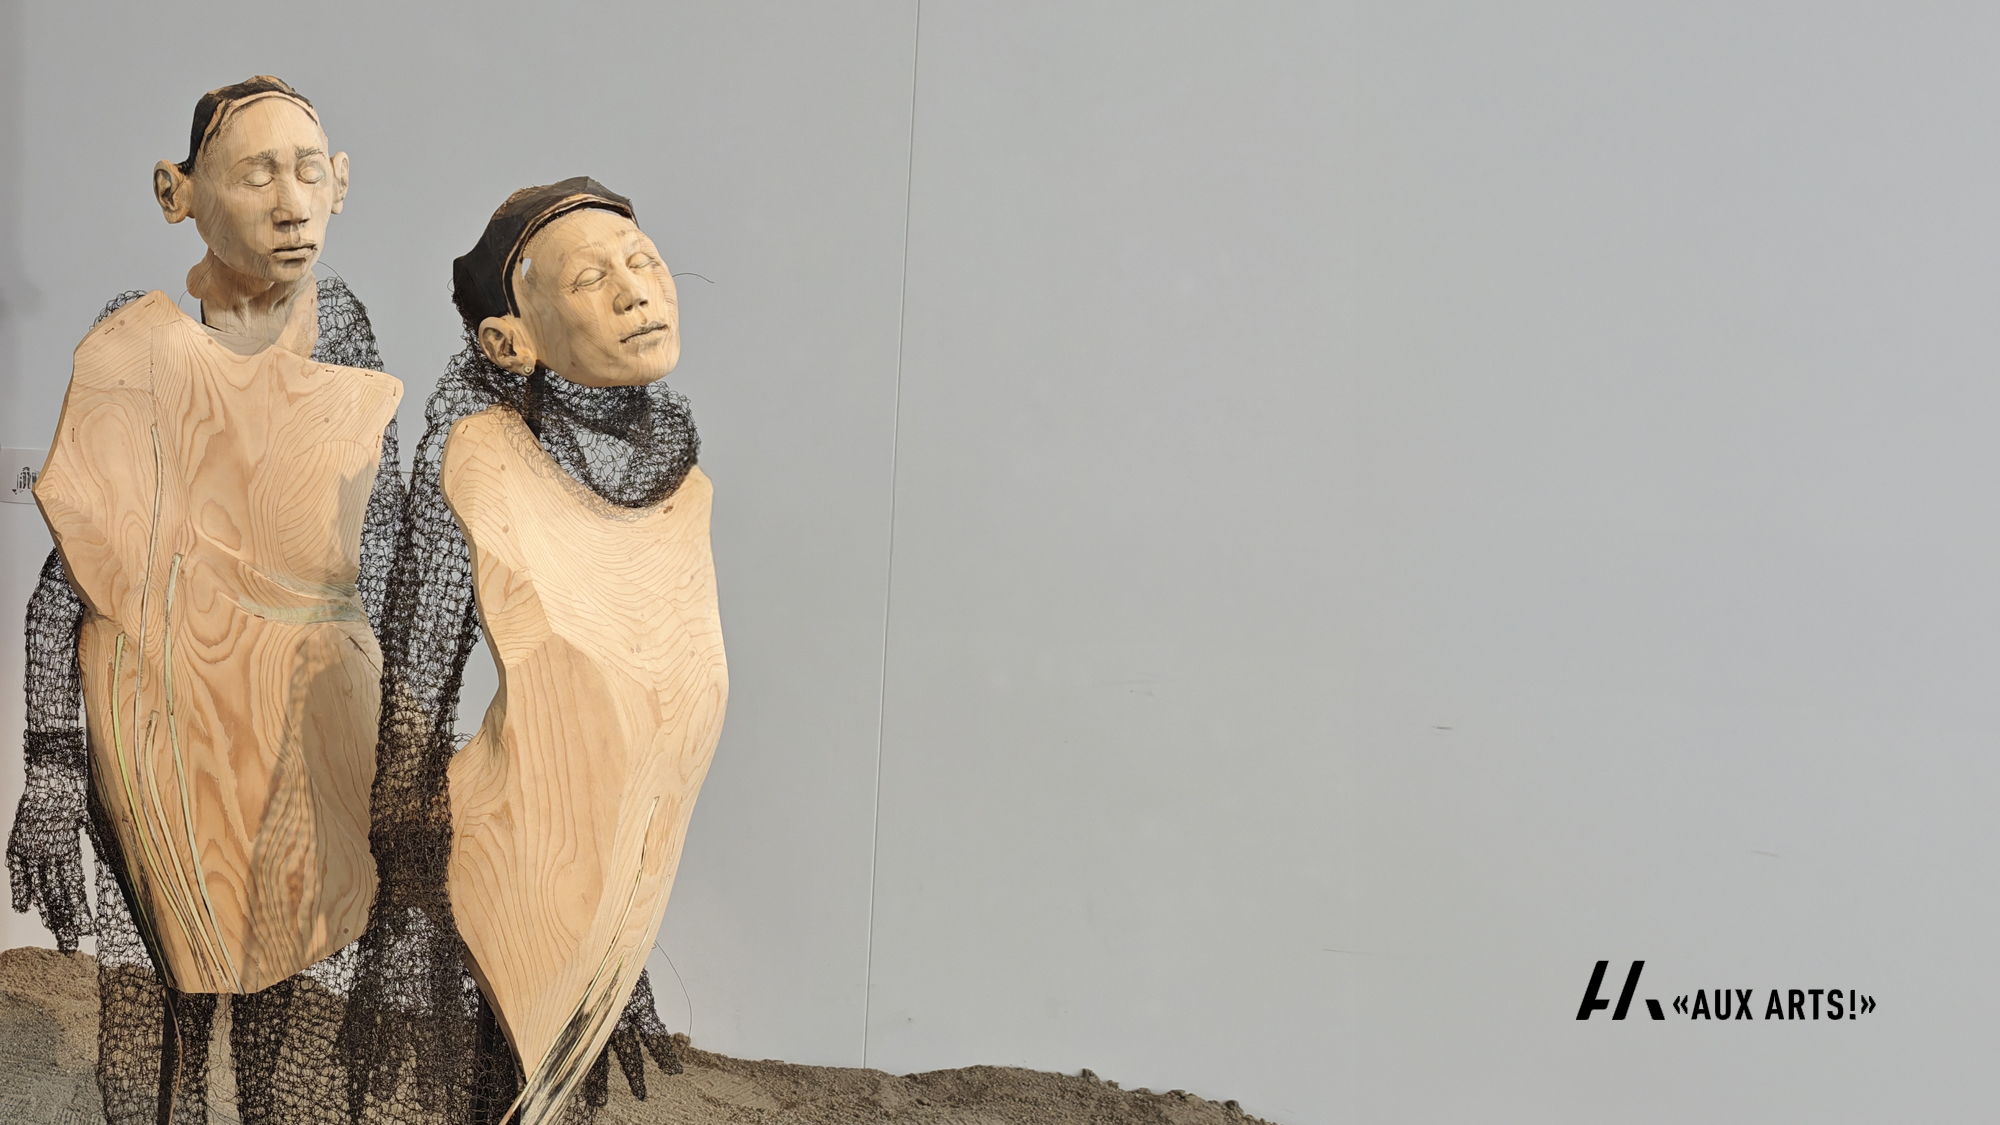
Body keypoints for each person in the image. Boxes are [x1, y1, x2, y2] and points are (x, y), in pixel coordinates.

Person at [8, 75, 406, 1125]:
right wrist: (52, 766)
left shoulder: (352, 363)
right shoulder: (134, 354)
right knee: (160, 1030)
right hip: (157, 738)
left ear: (342, 183)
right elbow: (68, 582)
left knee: (295, 1035)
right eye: (256, 174)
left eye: (309, 172)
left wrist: (409, 767)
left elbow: (392, 567)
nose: (292, 204)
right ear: (176, 193)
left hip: (311, 745)